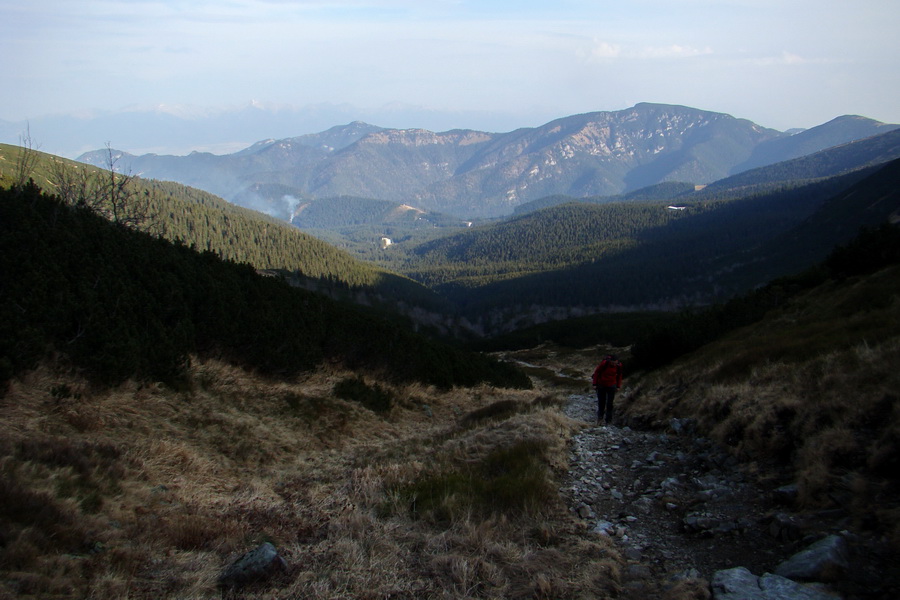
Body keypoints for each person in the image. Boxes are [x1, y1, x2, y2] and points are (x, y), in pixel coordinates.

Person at [592, 354, 623, 425]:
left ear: (617, 362)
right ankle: (600, 418)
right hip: (601, 385)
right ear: (610, 361)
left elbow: (619, 375)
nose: (614, 364)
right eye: (612, 363)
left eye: (615, 363)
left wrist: (618, 386)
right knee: (601, 402)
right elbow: (597, 372)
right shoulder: (604, 363)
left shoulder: (619, 366)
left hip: (612, 385)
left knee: (610, 403)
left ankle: (608, 420)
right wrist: (594, 384)